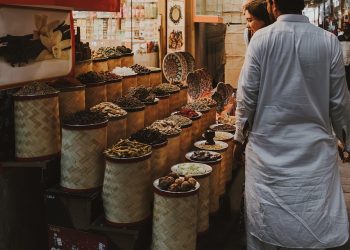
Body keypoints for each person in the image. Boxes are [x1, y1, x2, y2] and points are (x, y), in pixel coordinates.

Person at [233, 0, 350, 249]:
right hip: (314, 153)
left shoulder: (261, 40)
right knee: (312, 220)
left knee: (267, 223)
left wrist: (238, 138)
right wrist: (345, 139)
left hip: (267, 152)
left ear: (273, 5)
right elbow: (339, 101)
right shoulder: (328, 42)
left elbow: (246, 97)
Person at [338, 23, 350, 90]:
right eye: (344, 27)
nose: (346, 28)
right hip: (341, 63)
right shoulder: (339, 38)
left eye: (347, 27)